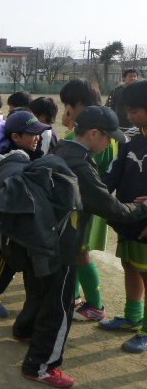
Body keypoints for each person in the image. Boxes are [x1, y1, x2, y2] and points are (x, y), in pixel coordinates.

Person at [17, 104, 147, 387]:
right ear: (94, 133)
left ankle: (23, 329)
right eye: (108, 137)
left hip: (40, 237)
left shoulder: (62, 149)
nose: (110, 143)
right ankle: (40, 366)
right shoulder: (80, 164)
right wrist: (144, 208)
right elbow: (112, 208)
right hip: (63, 244)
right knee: (60, 307)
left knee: (39, 292)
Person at [0, 111, 50, 317]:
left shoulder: (25, 155)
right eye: (32, 134)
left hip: (14, 219)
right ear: (16, 137)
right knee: (5, 260)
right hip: (7, 223)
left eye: (39, 133)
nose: (37, 138)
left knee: (9, 258)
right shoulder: (15, 160)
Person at [59, 79, 113, 322]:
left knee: (80, 254)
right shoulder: (104, 132)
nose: (66, 110)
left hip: (82, 207)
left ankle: (96, 305)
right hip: (91, 203)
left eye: (68, 106)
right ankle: (75, 297)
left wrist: (71, 126)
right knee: (75, 254)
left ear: (77, 105)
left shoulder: (82, 136)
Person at [101, 81, 147, 353]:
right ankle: (132, 316)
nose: (129, 117)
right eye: (127, 111)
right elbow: (115, 172)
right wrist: (96, 195)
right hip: (128, 216)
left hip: (145, 221)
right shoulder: (130, 137)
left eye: (135, 111)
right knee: (129, 265)